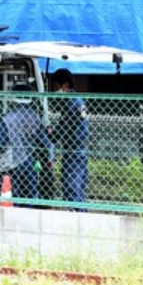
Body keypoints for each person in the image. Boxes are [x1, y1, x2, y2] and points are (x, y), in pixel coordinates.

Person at [0, 83, 53, 201]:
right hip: (31, 163)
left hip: (12, 164)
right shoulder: (35, 118)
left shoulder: (6, 119)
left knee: (14, 196)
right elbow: (45, 142)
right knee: (30, 196)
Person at [50, 68, 89, 207]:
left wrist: (51, 135)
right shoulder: (78, 101)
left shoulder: (71, 103)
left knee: (71, 188)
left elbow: (64, 128)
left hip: (73, 151)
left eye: (56, 87)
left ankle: (76, 217)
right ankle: (80, 216)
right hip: (80, 150)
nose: (55, 91)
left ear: (65, 86)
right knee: (79, 189)